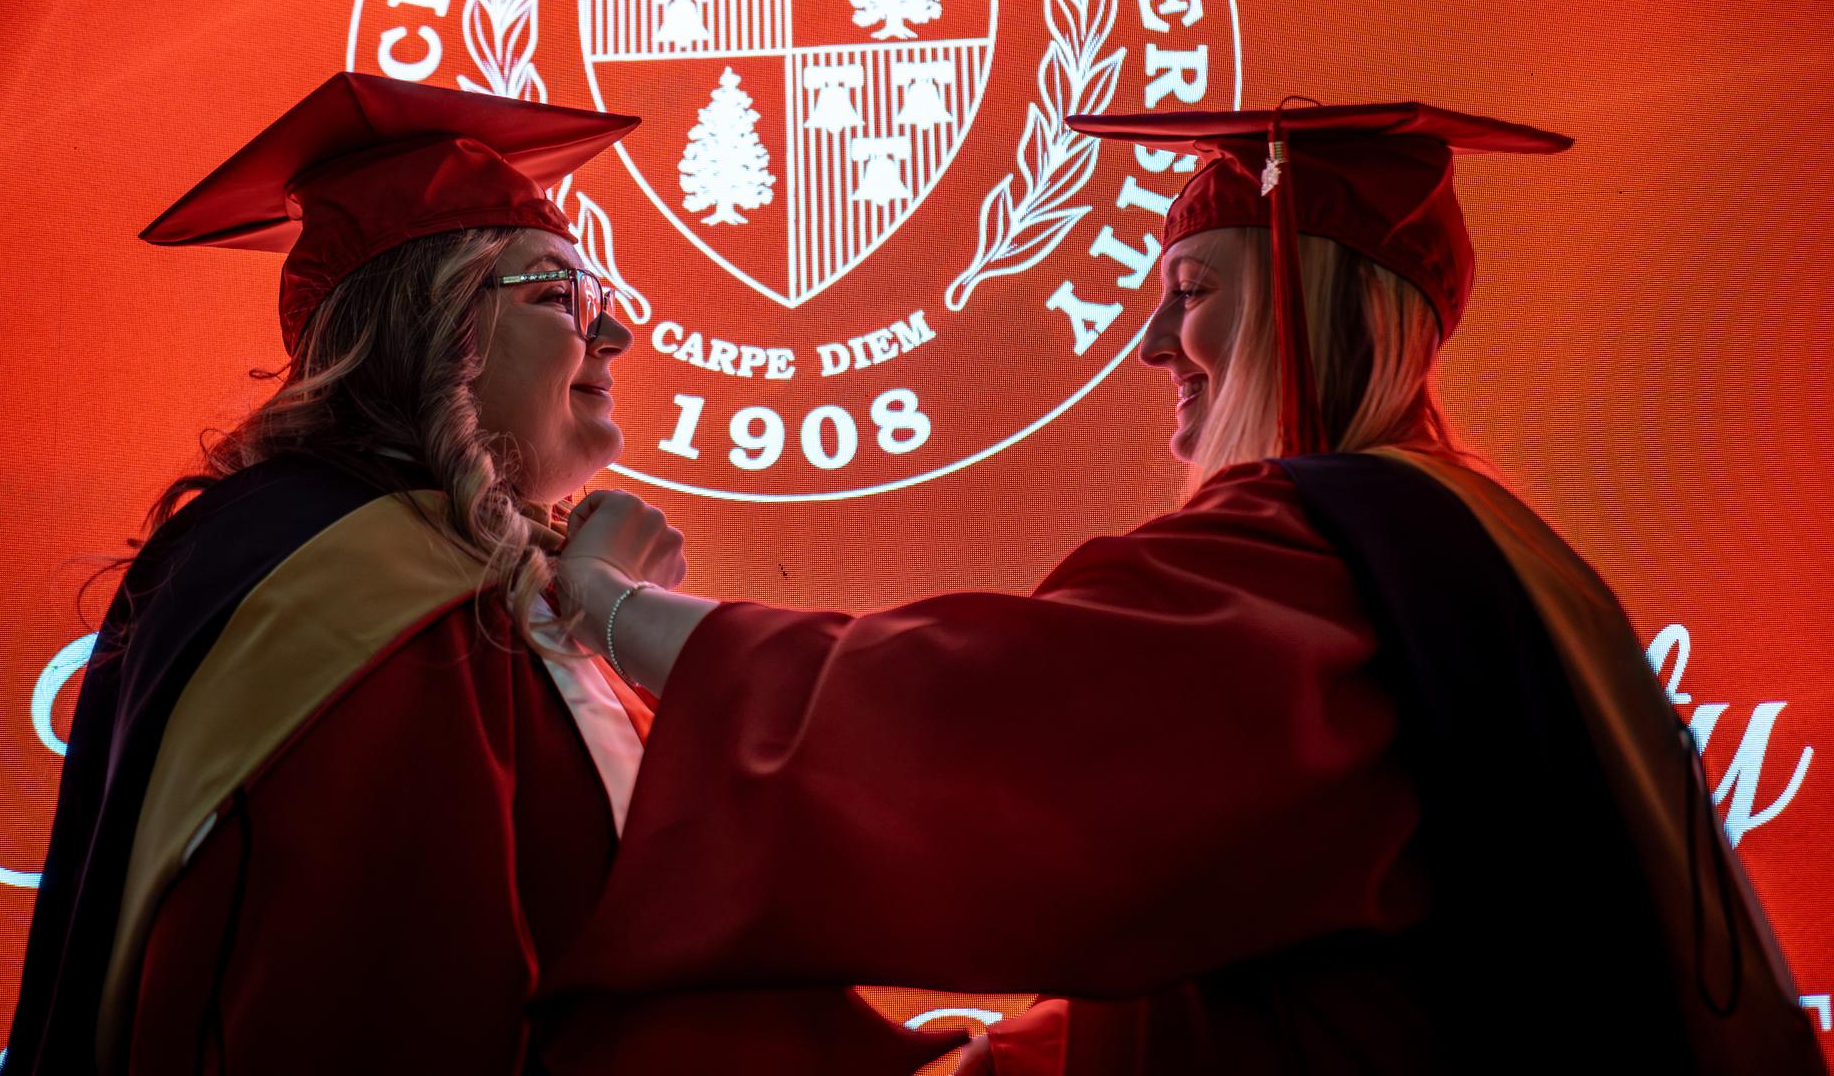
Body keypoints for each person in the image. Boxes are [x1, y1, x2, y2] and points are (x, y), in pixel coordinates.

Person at [549, 101, 1825, 1073]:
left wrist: (625, 612)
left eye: (1192, 293)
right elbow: (1292, 938)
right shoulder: (1496, 539)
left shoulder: (1332, 551)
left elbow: (990, 731)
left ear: (1306, 305)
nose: (1155, 344)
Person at [3, 72, 948, 1076]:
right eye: (557, 296)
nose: (614, 334)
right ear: (430, 329)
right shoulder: (354, 583)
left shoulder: (474, 577)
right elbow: (390, 1001)